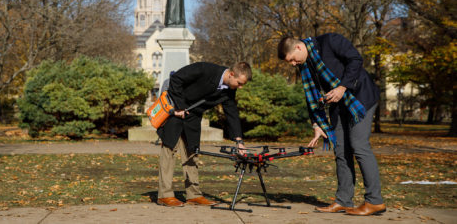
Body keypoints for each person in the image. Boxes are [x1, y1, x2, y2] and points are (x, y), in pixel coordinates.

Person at [277, 33, 385, 216]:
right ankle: (343, 200)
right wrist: (316, 125)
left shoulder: (330, 42)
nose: (293, 64)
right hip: (338, 105)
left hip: (360, 99)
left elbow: (356, 60)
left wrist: (343, 87)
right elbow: (310, 95)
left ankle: (375, 201)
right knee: (341, 150)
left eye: (293, 60)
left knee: (359, 146)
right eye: (290, 63)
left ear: (298, 48)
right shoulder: (306, 65)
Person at [156, 61, 252, 207]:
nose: (240, 87)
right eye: (239, 83)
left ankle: (193, 195)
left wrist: (239, 142)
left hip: (193, 116)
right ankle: (165, 195)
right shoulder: (205, 69)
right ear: (231, 74)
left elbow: (231, 112)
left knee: (192, 153)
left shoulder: (229, 90)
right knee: (169, 150)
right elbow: (176, 78)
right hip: (175, 109)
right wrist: (180, 107)